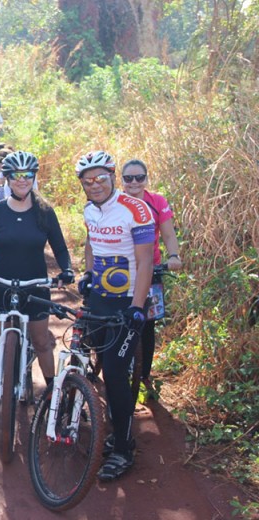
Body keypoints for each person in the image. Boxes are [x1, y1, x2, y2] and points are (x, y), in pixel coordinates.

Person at [0, 151, 74, 430]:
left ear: (33, 177)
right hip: (2, 283)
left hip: (35, 284)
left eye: (28, 175)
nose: (22, 180)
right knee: (0, 345)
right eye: (16, 176)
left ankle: (53, 398)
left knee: (41, 342)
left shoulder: (45, 211)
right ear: (8, 179)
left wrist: (67, 269)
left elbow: (59, 247)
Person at [75, 150, 154, 482]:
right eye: (87, 181)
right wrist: (88, 273)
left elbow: (146, 260)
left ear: (111, 177)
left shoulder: (136, 209)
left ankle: (123, 447)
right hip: (100, 300)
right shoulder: (89, 210)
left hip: (127, 304)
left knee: (115, 375)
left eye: (100, 179)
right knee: (88, 353)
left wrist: (137, 308)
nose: (94, 185)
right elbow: (92, 245)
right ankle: (107, 424)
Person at [120, 159, 182, 391]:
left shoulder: (157, 201)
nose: (134, 182)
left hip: (151, 269)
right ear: (122, 180)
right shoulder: (115, 202)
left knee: (147, 325)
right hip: (119, 272)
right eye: (128, 178)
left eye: (139, 177)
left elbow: (167, 233)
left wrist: (173, 255)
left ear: (146, 179)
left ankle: (144, 375)